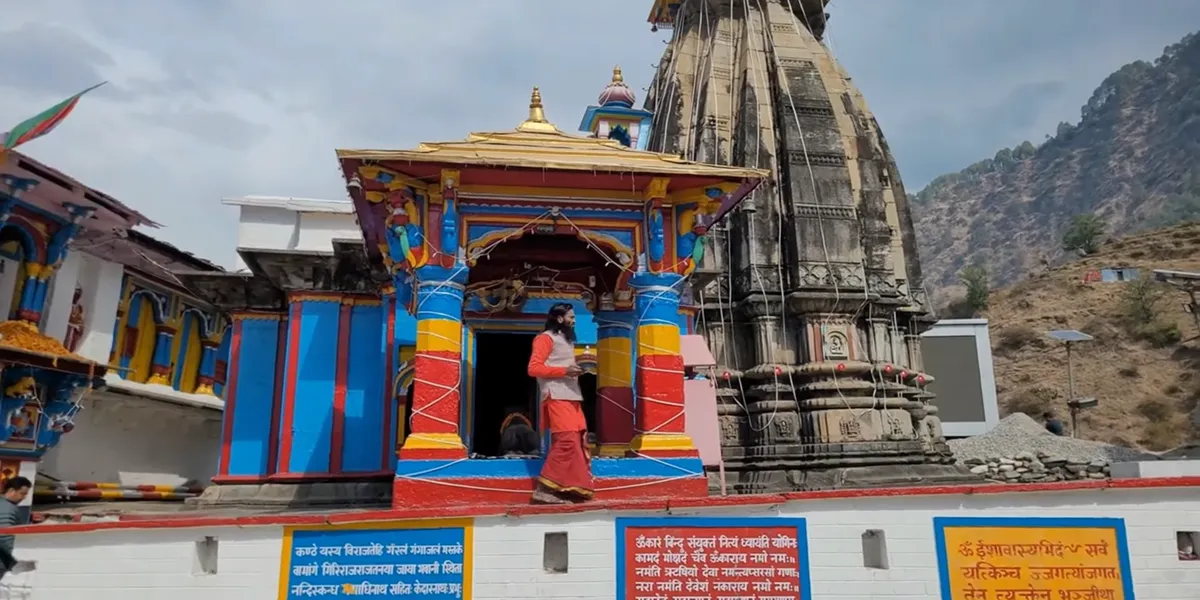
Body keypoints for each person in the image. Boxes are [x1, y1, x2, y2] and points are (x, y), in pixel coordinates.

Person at [527, 303, 592, 504]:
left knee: (578, 442)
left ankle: (571, 487)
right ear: (559, 318)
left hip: (572, 395)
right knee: (566, 441)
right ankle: (544, 489)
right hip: (556, 395)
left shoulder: (566, 340)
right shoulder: (545, 338)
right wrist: (564, 371)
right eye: (571, 317)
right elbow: (533, 368)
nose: (574, 320)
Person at [0, 476, 33, 580]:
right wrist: (20, 556)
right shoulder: (7, 508)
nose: (23, 497)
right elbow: (5, 535)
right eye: (22, 493)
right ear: (11, 490)